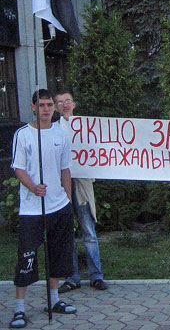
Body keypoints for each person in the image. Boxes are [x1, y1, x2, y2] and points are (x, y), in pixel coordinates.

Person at [9, 90, 77, 329]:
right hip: (32, 209)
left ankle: (54, 299)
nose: (46, 109)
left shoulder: (60, 134)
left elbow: (65, 169)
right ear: (33, 107)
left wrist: (68, 200)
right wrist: (33, 187)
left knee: (57, 254)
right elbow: (18, 168)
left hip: (58, 206)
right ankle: (19, 308)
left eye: (49, 105)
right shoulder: (23, 134)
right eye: (42, 105)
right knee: (27, 256)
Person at [54, 90, 108, 293]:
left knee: (88, 231)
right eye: (60, 102)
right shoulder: (53, 130)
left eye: (67, 101)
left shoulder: (87, 128)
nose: (65, 105)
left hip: (82, 185)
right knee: (67, 233)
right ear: (56, 107)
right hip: (62, 187)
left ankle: (96, 276)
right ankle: (72, 277)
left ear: (74, 104)